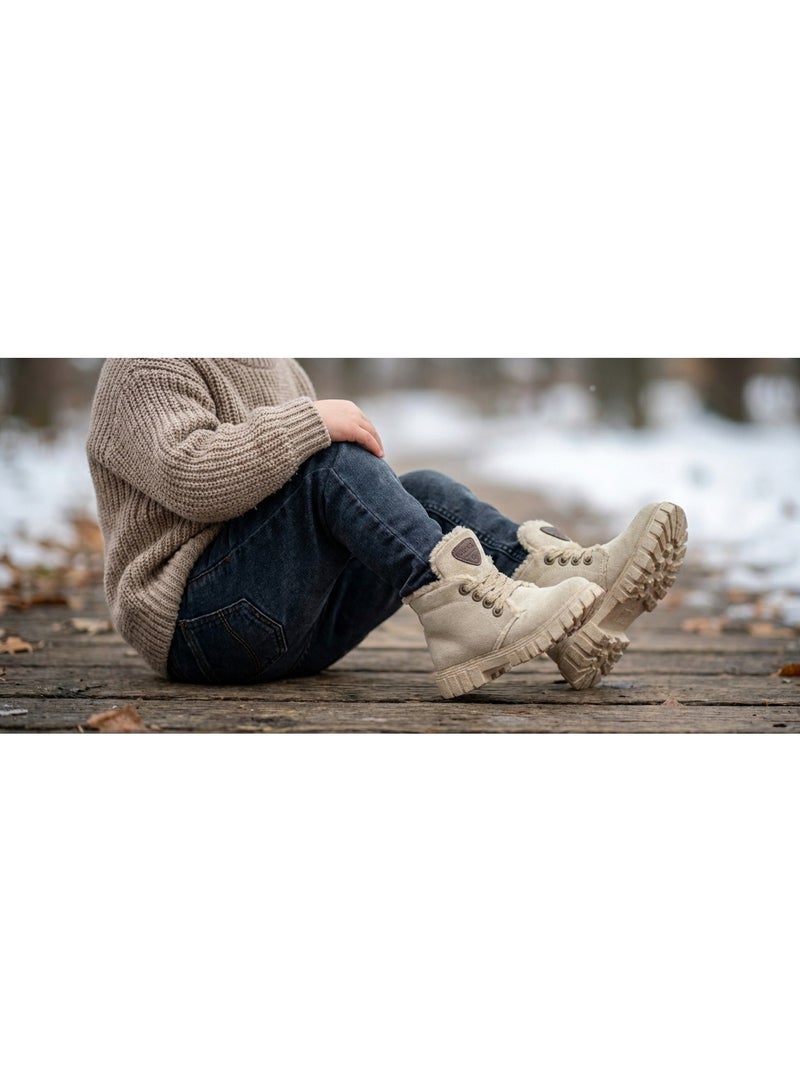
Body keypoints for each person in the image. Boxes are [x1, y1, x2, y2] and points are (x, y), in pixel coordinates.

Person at [86, 358, 688, 699]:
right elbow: (193, 477)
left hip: (299, 629)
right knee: (331, 464)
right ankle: (473, 621)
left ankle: (572, 596)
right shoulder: (145, 365)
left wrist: (313, 430)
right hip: (196, 628)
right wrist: (311, 424)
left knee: (423, 489)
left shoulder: (278, 365)